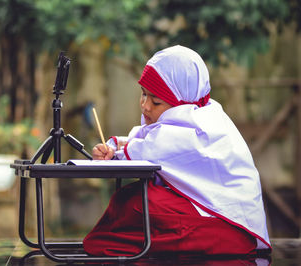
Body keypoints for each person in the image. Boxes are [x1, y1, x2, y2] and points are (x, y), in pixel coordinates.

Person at [83, 45, 271, 257]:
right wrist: (113, 147)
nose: (145, 106)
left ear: (182, 101)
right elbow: (148, 141)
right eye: (143, 95)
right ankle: (111, 246)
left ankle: (109, 247)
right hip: (207, 210)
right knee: (132, 199)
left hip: (228, 223)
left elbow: (154, 147)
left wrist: (116, 150)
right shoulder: (191, 117)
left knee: (139, 205)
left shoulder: (200, 126)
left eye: (155, 101)